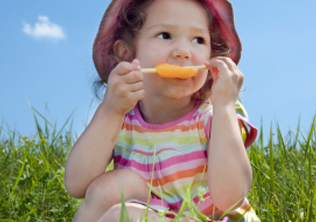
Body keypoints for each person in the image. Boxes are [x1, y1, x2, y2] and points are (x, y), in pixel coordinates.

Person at [64, 0, 260, 221]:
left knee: (122, 216)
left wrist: (224, 105)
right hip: (159, 212)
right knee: (110, 188)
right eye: (165, 35)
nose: (183, 52)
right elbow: (76, 184)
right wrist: (110, 110)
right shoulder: (121, 118)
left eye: (198, 40)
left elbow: (230, 199)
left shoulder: (214, 115)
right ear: (126, 53)